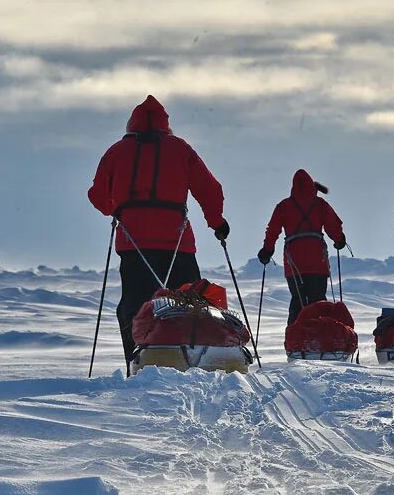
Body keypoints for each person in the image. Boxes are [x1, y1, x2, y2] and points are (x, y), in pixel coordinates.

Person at [88, 95, 228, 373]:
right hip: (179, 244)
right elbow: (210, 189)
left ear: (131, 124)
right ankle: (196, 360)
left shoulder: (116, 151)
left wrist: (116, 208)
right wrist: (217, 222)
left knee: (135, 305)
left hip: (133, 243)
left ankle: (137, 363)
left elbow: (97, 196)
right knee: (192, 304)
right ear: (167, 125)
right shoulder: (181, 148)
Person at [258, 170, 346, 324]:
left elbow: (272, 230)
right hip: (317, 262)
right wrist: (339, 240)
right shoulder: (320, 205)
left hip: (294, 263)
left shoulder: (284, 206)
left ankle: (295, 337)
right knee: (318, 302)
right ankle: (321, 338)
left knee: (298, 299)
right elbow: (334, 226)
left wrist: (267, 250)